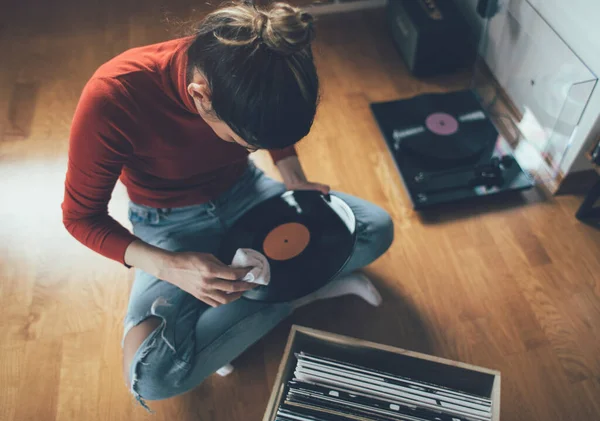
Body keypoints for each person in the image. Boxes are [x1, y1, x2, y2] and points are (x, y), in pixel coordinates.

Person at [62, 1, 393, 409]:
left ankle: (253, 307)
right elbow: (80, 217)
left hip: (247, 193)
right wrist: (171, 266)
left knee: (376, 228)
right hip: (168, 226)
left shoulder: (256, 63)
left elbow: (267, 120)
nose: (251, 147)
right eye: (244, 142)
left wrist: (291, 175)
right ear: (200, 96)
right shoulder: (113, 96)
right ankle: (296, 288)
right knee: (151, 376)